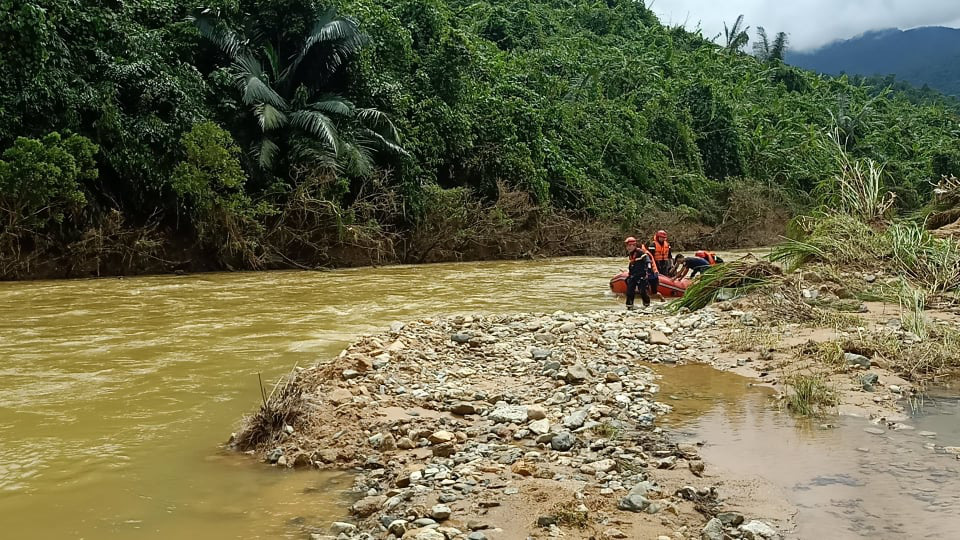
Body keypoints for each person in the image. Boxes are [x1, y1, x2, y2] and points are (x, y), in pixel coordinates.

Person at [623, 236, 652, 310]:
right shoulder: (631, 254)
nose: (628, 247)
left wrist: (649, 268)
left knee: (642, 292)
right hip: (633, 275)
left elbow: (647, 259)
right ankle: (629, 306)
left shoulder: (639, 252)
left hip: (641, 275)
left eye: (630, 246)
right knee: (629, 292)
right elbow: (632, 264)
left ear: (634, 245)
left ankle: (647, 305)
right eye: (627, 246)